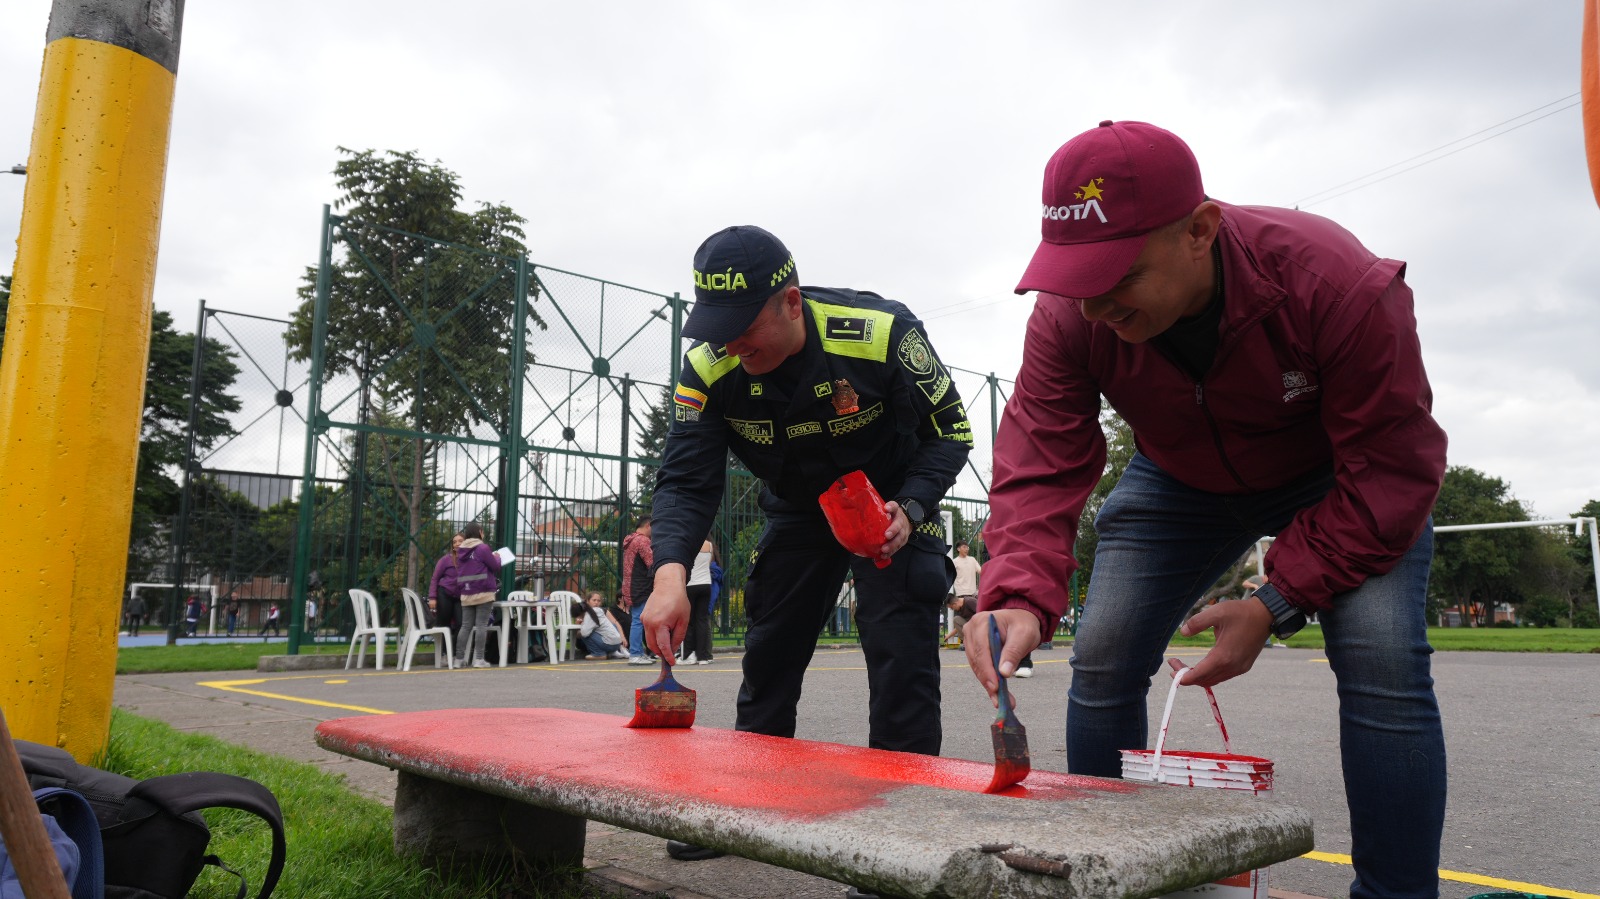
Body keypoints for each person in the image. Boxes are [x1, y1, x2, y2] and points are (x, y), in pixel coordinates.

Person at [967, 121, 1448, 899]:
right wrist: (1017, 591)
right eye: (1077, 276)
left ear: (1200, 230)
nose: (1095, 304)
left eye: (1118, 274)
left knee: (1383, 656)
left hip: (1339, 473)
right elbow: (1040, 460)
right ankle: (1108, 882)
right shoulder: (1069, 316)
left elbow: (1392, 469)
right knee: (1105, 650)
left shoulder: (1336, 285)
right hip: (1179, 476)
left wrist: (1275, 601)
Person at [642, 225, 972, 873]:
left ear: (792, 302)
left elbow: (952, 430)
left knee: (900, 655)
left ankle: (900, 833)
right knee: (770, 650)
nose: (731, 343)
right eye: (716, 327)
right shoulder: (708, 365)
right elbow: (685, 479)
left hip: (889, 503)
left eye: (744, 326)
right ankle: (750, 804)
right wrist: (670, 573)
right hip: (798, 506)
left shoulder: (883, 333)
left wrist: (911, 508)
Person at [452, 522, 503, 668]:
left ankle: (459, 659)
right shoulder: (482, 548)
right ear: (480, 532)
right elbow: (495, 567)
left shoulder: (461, 550)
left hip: (466, 592)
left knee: (465, 626)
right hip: (483, 592)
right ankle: (478, 659)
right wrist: (497, 557)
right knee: (481, 625)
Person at [620, 516, 654, 664]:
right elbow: (652, 563)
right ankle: (635, 654)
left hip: (631, 585)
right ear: (648, 525)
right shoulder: (643, 541)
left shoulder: (630, 540)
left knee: (638, 619)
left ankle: (638, 652)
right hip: (641, 585)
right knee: (639, 620)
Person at [683, 537, 716, 664]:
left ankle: (689, 654)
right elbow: (709, 563)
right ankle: (703, 656)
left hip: (691, 584)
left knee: (689, 621)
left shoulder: (689, 543)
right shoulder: (709, 545)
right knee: (702, 620)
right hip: (706, 584)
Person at [428, 533, 464, 639]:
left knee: (461, 624)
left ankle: (454, 647)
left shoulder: (469, 560)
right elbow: (435, 578)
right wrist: (432, 598)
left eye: (460, 541)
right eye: (454, 542)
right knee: (444, 625)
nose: (457, 544)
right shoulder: (445, 560)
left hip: (460, 597)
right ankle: (444, 648)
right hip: (445, 594)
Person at [945, 541, 981, 647]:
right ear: (958, 549)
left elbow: (981, 571)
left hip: (972, 594)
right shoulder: (954, 562)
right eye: (964, 547)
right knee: (961, 620)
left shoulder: (972, 560)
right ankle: (967, 641)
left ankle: (977, 639)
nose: (967, 549)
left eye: (967, 547)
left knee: (976, 616)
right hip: (960, 595)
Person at [578, 591, 629, 660]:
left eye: (598, 601)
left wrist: (622, 637)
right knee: (586, 631)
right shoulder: (584, 612)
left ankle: (599, 654)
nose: (596, 602)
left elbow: (616, 623)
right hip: (608, 641)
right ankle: (613, 651)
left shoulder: (601, 611)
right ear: (588, 601)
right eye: (594, 600)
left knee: (585, 632)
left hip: (607, 641)